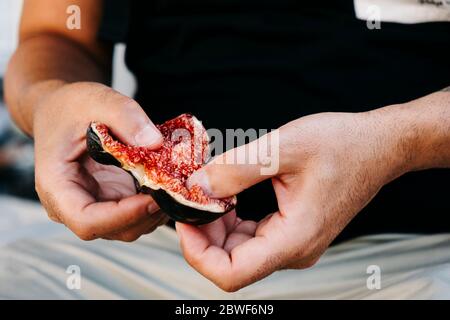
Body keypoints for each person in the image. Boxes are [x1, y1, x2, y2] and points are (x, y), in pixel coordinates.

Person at [4, 0, 450, 292]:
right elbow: (56, 34)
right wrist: (48, 100)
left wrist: (397, 140)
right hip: (137, 258)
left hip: (416, 257)